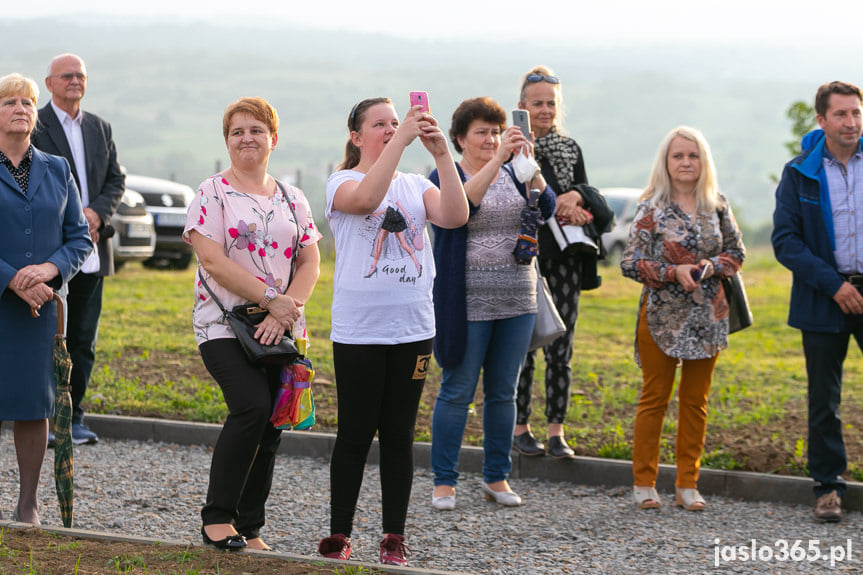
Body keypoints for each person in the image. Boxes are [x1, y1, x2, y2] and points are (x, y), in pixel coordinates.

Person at [319, 97, 468, 566]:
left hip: (413, 329)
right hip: (360, 332)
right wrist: (402, 139)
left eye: (393, 122)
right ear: (356, 136)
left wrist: (442, 154)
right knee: (356, 433)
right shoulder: (342, 182)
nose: (390, 128)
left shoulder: (414, 184)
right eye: (379, 124)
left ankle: (393, 538)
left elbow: (455, 216)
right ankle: (339, 534)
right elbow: (365, 201)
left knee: (400, 434)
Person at [183, 97, 322, 550]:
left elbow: (310, 259)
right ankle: (217, 519)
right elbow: (212, 260)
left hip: (281, 327)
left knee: (272, 423)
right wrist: (270, 300)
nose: (247, 138)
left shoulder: (292, 197)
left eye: (256, 130)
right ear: (227, 141)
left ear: (273, 140)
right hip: (224, 325)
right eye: (238, 131)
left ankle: (251, 527)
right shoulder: (212, 192)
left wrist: (288, 307)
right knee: (251, 407)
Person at [429, 97, 554, 510]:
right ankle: (444, 481)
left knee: (504, 391)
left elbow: (547, 207)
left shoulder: (516, 171)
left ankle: (496, 477)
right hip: (466, 302)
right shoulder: (445, 173)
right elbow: (463, 209)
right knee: (457, 390)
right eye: (482, 132)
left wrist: (529, 167)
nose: (491, 138)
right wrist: (498, 159)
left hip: (518, 297)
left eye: (497, 131)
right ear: (461, 138)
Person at [620, 126, 745, 511]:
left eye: (693, 156)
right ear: (666, 162)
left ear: (703, 161)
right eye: (678, 156)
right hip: (661, 317)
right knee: (654, 398)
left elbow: (736, 253)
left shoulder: (717, 204)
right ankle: (644, 483)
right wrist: (672, 272)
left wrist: (708, 267)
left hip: (708, 317)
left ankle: (688, 484)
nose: (686, 162)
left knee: (696, 402)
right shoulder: (650, 208)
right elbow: (630, 263)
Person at [0, 73, 92, 525]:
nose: (20, 108)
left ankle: (28, 503)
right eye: (9, 101)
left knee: (34, 405)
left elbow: (79, 238)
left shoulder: (57, 168)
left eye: (28, 102)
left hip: (41, 310)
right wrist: (14, 278)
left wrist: (49, 271)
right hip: (2, 299)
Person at [772, 81, 863, 523]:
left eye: (857, 113)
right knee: (823, 399)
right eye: (842, 114)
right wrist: (834, 285)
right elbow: (786, 241)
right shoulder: (798, 171)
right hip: (823, 297)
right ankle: (828, 489)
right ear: (822, 119)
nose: (851, 123)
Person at [514, 66, 614, 458]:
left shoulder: (571, 148)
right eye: (537, 103)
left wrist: (577, 199)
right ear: (521, 106)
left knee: (562, 347)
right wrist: (559, 198)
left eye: (551, 103)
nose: (545, 109)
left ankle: (556, 431)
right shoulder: (512, 148)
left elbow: (591, 198)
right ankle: (520, 427)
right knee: (524, 346)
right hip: (527, 259)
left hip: (568, 260)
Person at [31, 53, 125, 446]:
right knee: (49, 339)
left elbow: (116, 181)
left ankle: (76, 417)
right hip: (50, 254)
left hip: (93, 250)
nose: (75, 81)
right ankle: (44, 418)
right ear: (50, 83)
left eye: (81, 76)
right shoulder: (35, 124)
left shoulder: (100, 127)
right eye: (67, 75)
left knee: (84, 340)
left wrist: (95, 214)